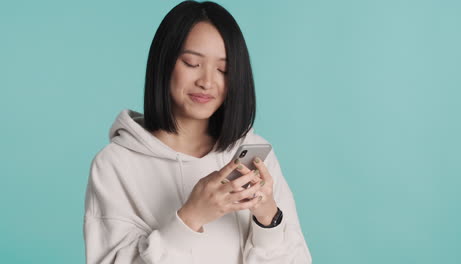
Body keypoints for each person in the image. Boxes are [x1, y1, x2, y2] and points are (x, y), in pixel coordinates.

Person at [83, 1, 312, 263]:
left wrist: (268, 219)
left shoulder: (253, 156)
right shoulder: (116, 164)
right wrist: (191, 218)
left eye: (223, 70)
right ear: (164, 63)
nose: (206, 82)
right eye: (192, 63)